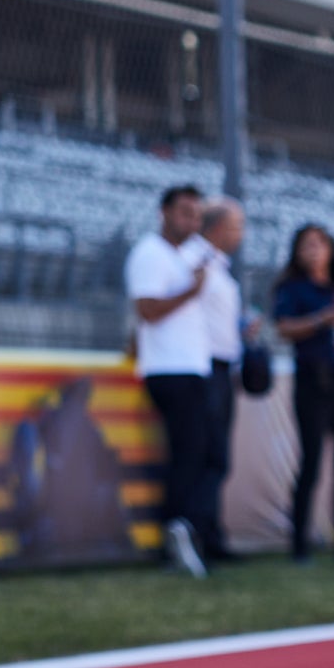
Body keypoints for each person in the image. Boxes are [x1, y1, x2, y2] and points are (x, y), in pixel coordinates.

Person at [125, 184, 213, 578]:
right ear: (164, 212)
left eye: (196, 214)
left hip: (191, 367)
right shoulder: (149, 253)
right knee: (187, 455)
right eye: (184, 212)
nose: (191, 221)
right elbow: (147, 310)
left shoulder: (188, 253)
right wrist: (190, 291)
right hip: (169, 371)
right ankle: (175, 535)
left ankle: (184, 532)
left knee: (196, 455)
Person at [271, 223, 334, 563]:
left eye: (320, 243)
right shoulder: (293, 289)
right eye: (307, 245)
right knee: (312, 463)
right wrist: (321, 319)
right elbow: (284, 328)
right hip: (312, 385)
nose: (315, 250)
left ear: (331, 249)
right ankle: (299, 543)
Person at [195, 199, 245, 560]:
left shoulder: (218, 266)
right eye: (235, 225)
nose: (240, 234)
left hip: (222, 368)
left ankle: (210, 534)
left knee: (217, 457)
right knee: (209, 457)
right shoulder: (195, 262)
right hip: (205, 368)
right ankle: (203, 538)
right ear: (216, 228)